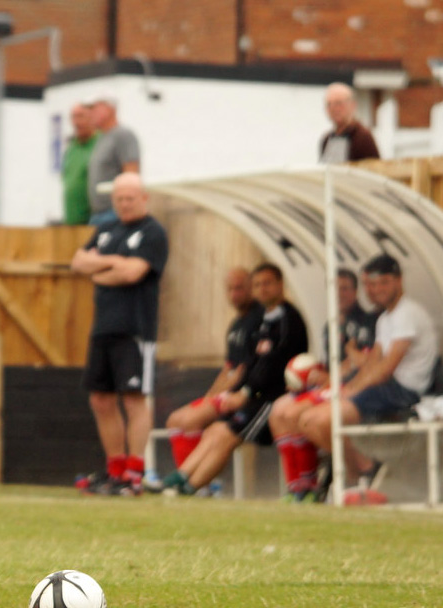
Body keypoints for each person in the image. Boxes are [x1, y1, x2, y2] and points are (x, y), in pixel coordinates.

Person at [155, 263, 309, 495]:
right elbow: (245, 365)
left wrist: (243, 393)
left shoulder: (288, 319)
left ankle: (191, 488)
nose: (262, 289)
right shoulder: (266, 319)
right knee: (214, 430)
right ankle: (181, 478)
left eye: (267, 283)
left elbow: (270, 365)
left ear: (280, 284)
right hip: (252, 396)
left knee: (224, 434)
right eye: (258, 284)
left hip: (271, 400)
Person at [297, 254, 438, 490]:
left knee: (319, 421)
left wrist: (349, 392)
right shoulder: (385, 318)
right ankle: (362, 474)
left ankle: (361, 473)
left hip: (403, 392)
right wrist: (345, 388)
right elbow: (372, 364)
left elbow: (385, 370)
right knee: (307, 420)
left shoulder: (408, 313)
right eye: (371, 285)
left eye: (383, 282)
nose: (376, 290)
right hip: (386, 388)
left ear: (398, 281)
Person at [71, 172, 168, 495]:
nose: (124, 204)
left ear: (143, 198)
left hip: (135, 330)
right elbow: (78, 262)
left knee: (134, 398)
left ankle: (135, 473)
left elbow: (133, 273)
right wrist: (113, 263)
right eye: (119, 199)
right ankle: (115, 470)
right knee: (101, 399)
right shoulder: (107, 229)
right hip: (103, 328)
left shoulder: (153, 233)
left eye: (130, 198)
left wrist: (103, 267)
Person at [268, 268, 377, 502]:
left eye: (345, 288)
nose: (340, 294)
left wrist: (335, 373)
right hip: (330, 385)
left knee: (294, 412)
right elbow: (334, 365)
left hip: (353, 389)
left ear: (356, 291)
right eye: (335, 288)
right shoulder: (331, 326)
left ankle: (324, 480)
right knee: (278, 411)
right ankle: (298, 485)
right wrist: (317, 375)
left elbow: (361, 363)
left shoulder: (367, 322)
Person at [160, 267, 263, 475]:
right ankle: (186, 477)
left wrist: (218, 396)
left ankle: (198, 481)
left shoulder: (260, 318)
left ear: (251, 287)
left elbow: (242, 371)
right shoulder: (236, 325)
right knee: (174, 419)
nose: (234, 294)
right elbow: (229, 368)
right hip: (227, 391)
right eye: (230, 289)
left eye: (239, 288)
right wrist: (210, 395)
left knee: (190, 420)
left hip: (246, 396)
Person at [86, 97, 140, 226]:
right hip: (98, 213)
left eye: (95, 109)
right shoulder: (102, 137)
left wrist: (125, 206)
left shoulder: (123, 135)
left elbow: (131, 173)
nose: (91, 114)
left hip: (114, 213)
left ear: (108, 109)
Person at [319, 82, 380, 163]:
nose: (334, 109)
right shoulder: (326, 140)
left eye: (338, 103)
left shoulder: (363, 138)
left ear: (352, 105)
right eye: (329, 104)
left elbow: (374, 170)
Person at [60, 103, 98, 225]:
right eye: (73, 117)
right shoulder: (71, 147)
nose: (76, 122)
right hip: (71, 219)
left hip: (94, 218)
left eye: (81, 116)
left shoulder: (101, 144)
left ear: (92, 117)